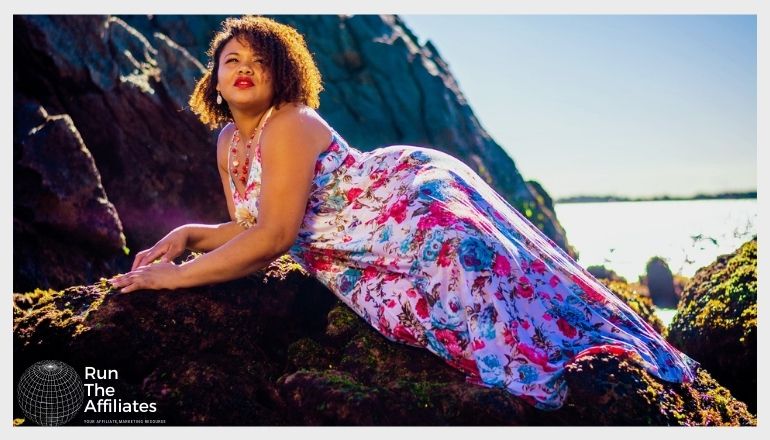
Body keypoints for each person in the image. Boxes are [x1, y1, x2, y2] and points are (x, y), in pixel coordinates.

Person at [109, 15, 700, 410]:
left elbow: (276, 236)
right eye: (231, 58)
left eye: (261, 61)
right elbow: (253, 224)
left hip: (406, 204)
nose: (244, 67)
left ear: (283, 74)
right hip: (354, 239)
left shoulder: (288, 123)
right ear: (213, 76)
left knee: (495, 315)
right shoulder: (227, 143)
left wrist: (174, 278)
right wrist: (190, 235)